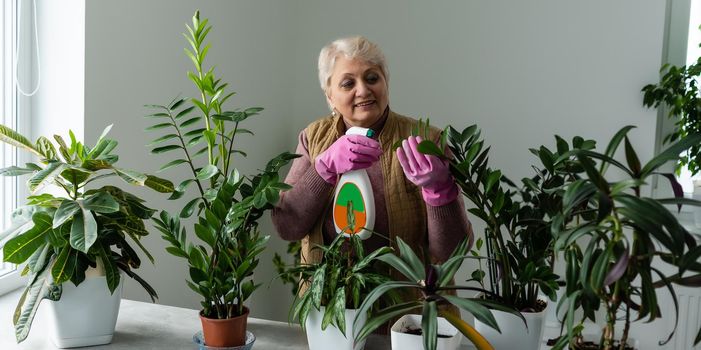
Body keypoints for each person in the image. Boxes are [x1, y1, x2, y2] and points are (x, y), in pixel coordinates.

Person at [271, 36, 472, 267]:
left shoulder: (427, 140)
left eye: (372, 78)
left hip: (407, 299)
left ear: (386, 82)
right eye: (348, 83)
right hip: (328, 299)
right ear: (330, 96)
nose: (363, 90)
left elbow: (452, 254)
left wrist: (440, 191)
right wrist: (322, 169)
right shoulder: (313, 137)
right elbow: (287, 227)